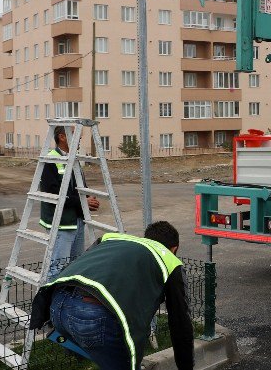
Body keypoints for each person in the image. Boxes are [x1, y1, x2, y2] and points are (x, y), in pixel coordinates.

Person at [30, 221, 195, 370]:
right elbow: (180, 323)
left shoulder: (110, 239)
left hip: (55, 304)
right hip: (92, 317)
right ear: (174, 249)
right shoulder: (170, 261)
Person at [40, 126, 99, 280]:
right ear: (62, 137)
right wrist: (82, 201)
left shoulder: (74, 159)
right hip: (61, 224)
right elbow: (53, 194)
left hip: (77, 221)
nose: (79, 138)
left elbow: (79, 188)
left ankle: (68, 301)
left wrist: (88, 201)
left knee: (75, 267)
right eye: (75, 134)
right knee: (57, 269)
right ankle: (52, 302)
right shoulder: (51, 160)